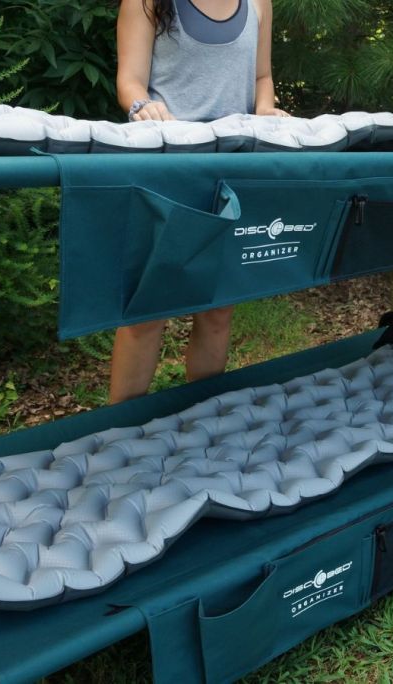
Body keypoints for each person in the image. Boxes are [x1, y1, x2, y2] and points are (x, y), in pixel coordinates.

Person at [111, 0, 287, 404]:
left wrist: (265, 110)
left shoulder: (259, 3)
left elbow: (261, 77)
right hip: (167, 166)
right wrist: (142, 106)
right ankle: (119, 427)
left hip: (234, 170)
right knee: (146, 313)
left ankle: (199, 420)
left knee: (218, 309)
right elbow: (130, 83)